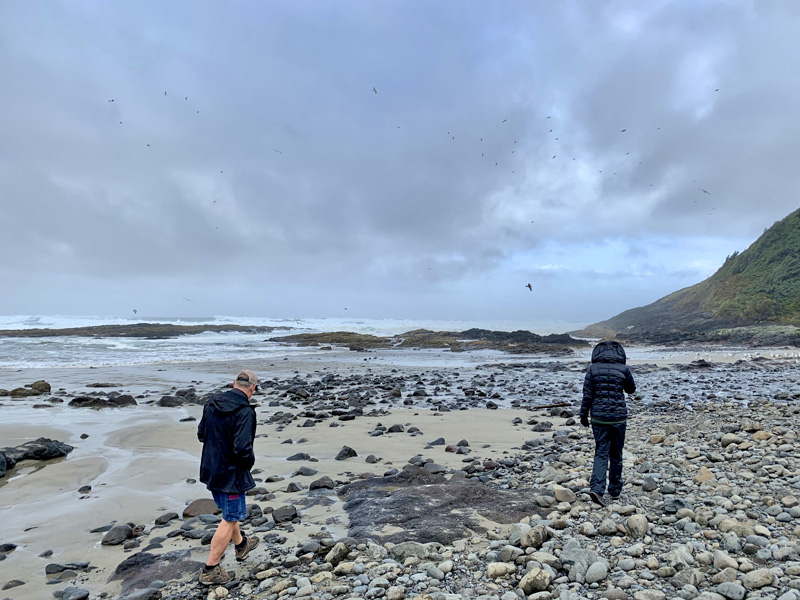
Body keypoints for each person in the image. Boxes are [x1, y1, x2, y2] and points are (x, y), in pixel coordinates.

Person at [197, 369, 261, 585]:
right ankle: (211, 569)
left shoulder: (212, 403)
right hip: (231, 475)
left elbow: (201, 435)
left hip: (210, 469)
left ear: (234, 383)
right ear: (252, 388)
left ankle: (242, 545)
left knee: (229, 512)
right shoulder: (245, 411)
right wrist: (248, 465)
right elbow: (243, 448)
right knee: (231, 517)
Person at [579, 340, 636, 508]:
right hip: (618, 417)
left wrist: (583, 415)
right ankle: (615, 489)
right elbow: (631, 390)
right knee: (617, 453)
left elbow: (587, 396)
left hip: (598, 417)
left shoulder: (592, 370)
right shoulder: (623, 369)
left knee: (601, 452)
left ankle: (597, 489)